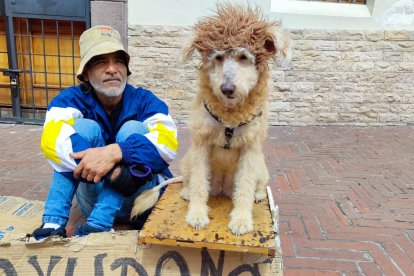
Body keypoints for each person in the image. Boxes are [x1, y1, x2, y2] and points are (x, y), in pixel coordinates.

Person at [31, 25, 178, 239]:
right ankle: (53, 224)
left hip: (139, 201)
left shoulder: (145, 100)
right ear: (86, 74)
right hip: (92, 196)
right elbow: (52, 139)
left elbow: (168, 144)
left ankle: (99, 225)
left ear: (126, 69)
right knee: (82, 128)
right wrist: (114, 172)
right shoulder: (69, 99)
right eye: (100, 62)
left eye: (118, 61)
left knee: (133, 130)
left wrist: (116, 152)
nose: (112, 69)